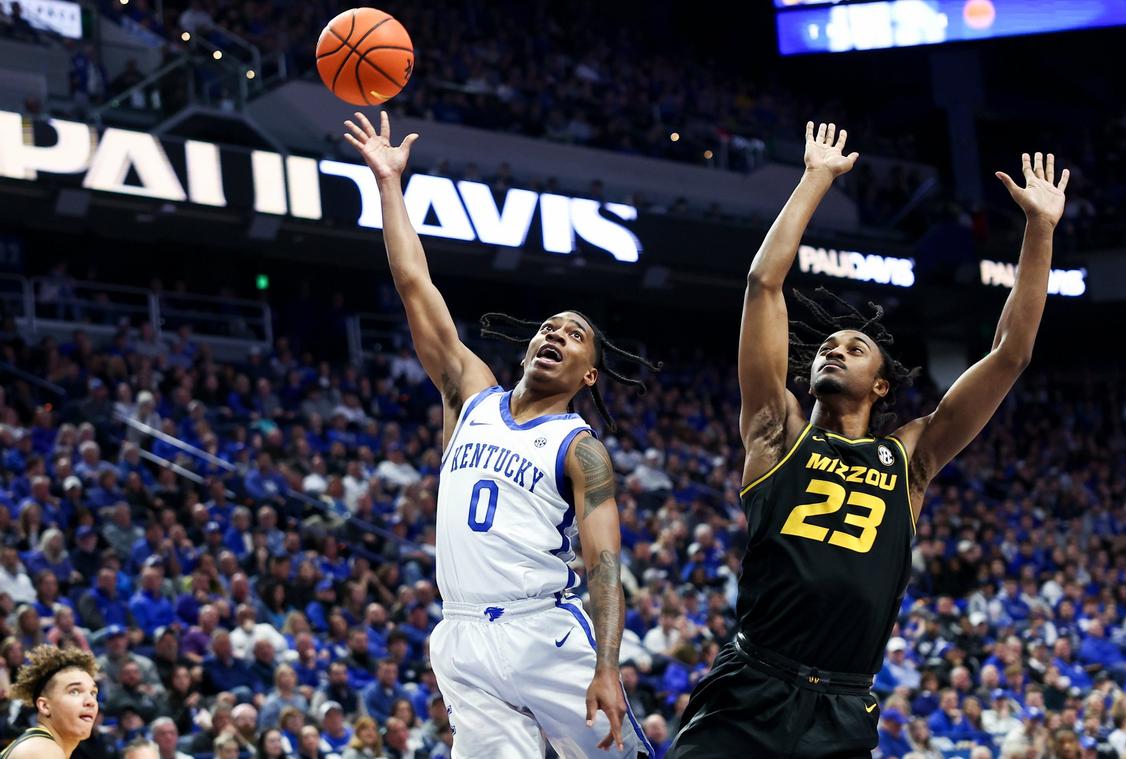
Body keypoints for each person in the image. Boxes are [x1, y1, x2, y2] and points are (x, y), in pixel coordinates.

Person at [669, 122, 1070, 757]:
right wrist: (815, 180)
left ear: (881, 388)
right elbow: (763, 287)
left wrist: (1040, 231)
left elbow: (1009, 353)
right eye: (827, 345)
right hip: (751, 683)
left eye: (854, 348)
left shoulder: (910, 456)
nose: (833, 348)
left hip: (843, 705)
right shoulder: (778, 434)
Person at [342, 109, 658, 757]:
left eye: (574, 336)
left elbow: (603, 564)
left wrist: (605, 664)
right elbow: (413, 284)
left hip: (544, 628)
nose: (555, 336)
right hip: (461, 633)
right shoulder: (469, 391)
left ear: (589, 374)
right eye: (550, 326)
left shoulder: (582, 448)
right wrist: (388, 185)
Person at [2, 645, 100, 759]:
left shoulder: (40, 745)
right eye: (74, 691)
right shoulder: (42, 751)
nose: (91, 701)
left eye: (93, 693)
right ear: (44, 706)